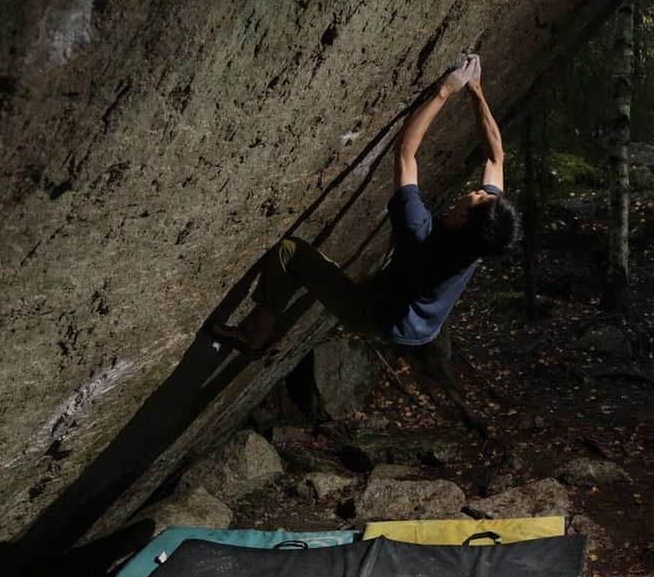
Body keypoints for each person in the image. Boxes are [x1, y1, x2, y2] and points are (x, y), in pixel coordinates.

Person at [209, 54, 518, 355]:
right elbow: (495, 157)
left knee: (289, 252)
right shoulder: (480, 240)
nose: (481, 190)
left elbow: (405, 154)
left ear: (463, 217)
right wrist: (476, 89)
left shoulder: (419, 234)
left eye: (481, 196)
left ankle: (255, 336)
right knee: (386, 283)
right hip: (421, 322)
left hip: (379, 317)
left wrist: (444, 91)